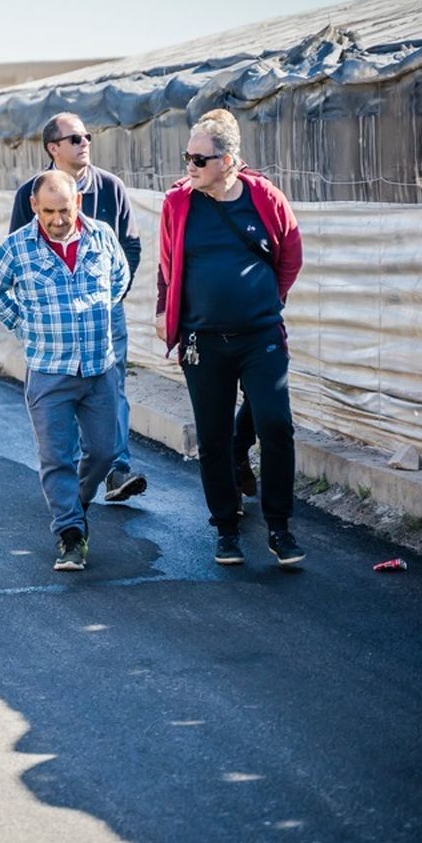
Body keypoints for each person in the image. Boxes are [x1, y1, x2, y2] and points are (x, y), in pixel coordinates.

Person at [155, 109, 306, 567]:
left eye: (199, 158)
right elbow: (167, 267)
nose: (190, 165)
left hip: (260, 335)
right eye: (187, 157)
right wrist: (165, 312)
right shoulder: (178, 203)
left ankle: (279, 526)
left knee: (275, 424)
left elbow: (289, 257)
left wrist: (264, 301)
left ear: (228, 159)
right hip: (203, 340)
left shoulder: (265, 197)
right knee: (214, 435)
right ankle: (225, 527)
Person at [0, 170, 129, 571]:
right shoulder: (18, 247)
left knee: (104, 451)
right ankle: (69, 534)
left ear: (77, 202)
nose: (58, 219)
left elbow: (120, 278)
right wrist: (22, 323)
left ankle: (76, 502)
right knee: (56, 457)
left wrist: (97, 314)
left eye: (64, 209)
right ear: (35, 207)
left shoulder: (100, 236)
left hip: (99, 367)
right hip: (49, 369)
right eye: (49, 211)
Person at [9, 112, 145, 503]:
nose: (84, 142)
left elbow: (129, 246)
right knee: (61, 399)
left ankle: (116, 468)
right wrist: (28, 318)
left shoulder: (111, 187)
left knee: (111, 383)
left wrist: (111, 296)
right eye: (74, 138)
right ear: (53, 148)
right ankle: (67, 479)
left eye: (87, 136)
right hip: (52, 323)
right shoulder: (30, 193)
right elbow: (16, 254)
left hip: (103, 314)